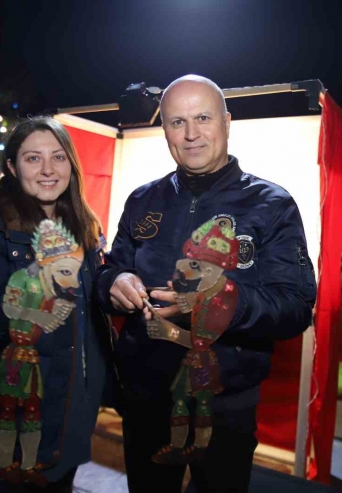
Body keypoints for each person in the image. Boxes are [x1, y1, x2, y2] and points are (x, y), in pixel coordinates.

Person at [94, 75, 317, 493]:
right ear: (164, 131)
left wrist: (220, 302)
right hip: (146, 395)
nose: (191, 134)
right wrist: (114, 281)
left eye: (202, 118)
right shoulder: (142, 199)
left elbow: (295, 306)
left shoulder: (273, 204)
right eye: (177, 122)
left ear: (227, 122)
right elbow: (109, 270)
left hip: (225, 403)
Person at [0, 116, 111, 492]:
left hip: (75, 399)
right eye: (32, 158)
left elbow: (86, 312)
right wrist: (38, 276)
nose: (48, 170)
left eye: (58, 157)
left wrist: (117, 280)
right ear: (11, 166)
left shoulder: (83, 227)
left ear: (71, 164)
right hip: (25, 401)